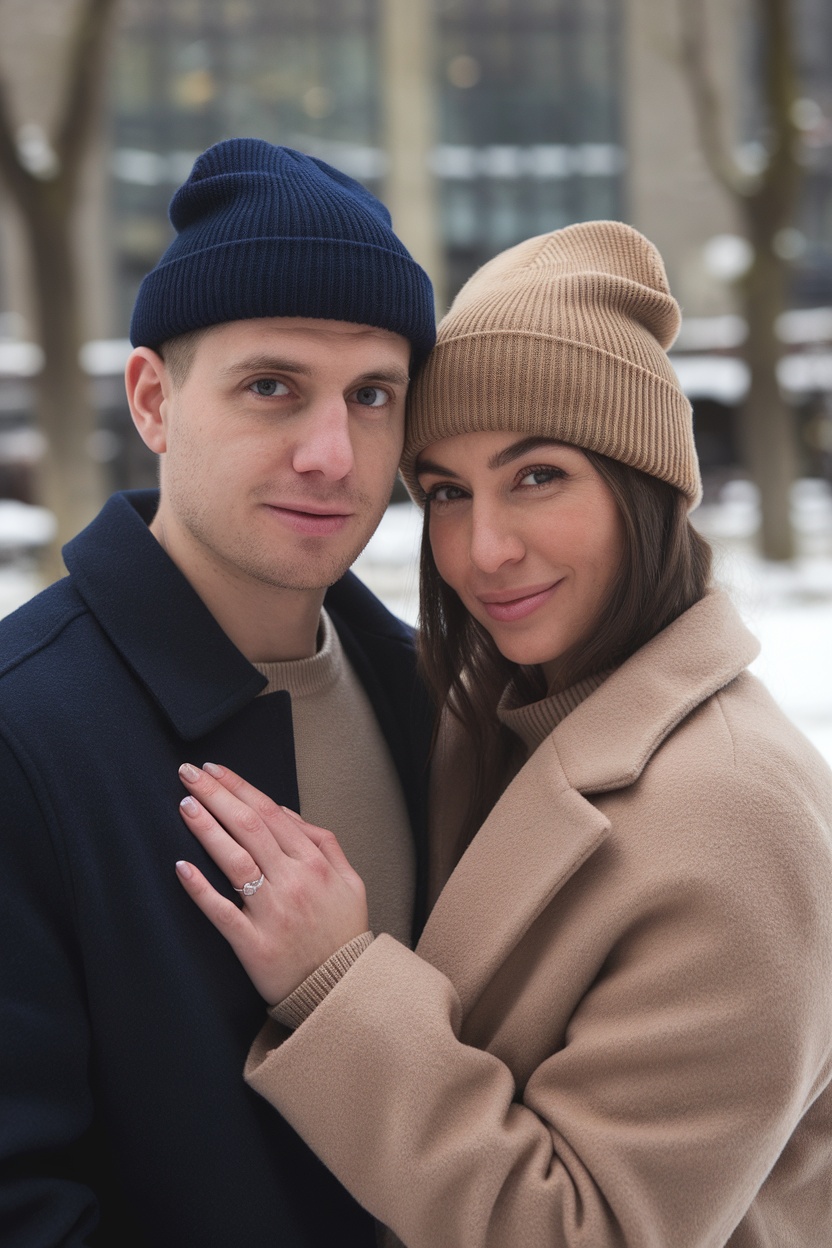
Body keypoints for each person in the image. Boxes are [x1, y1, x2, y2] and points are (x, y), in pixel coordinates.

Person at [174, 221, 832, 1247]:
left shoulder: (732, 812)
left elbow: (590, 1231)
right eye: (445, 492)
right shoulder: (485, 719)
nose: (484, 550)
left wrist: (336, 982)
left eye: (537, 477)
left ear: (642, 486)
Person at [0, 138, 436, 1247]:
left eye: (372, 395)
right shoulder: (24, 735)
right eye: (272, 387)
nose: (332, 454)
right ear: (153, 399)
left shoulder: (435, 703)